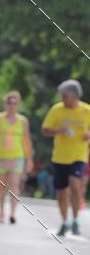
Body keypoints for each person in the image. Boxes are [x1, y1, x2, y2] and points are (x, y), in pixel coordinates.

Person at [41, 79, 90, 237]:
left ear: (74, 96)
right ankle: (64, 222)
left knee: (75, 184)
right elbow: (45, 130)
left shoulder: (86, 110)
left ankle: (75, 220)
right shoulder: (57, 109)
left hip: (78, 155)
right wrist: (58, 130)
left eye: (65, 96)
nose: (62, 99)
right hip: (60, 157)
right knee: (62, 192)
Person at [0, 91, 33, 223]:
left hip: (17, 157)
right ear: (6, 104)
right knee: (1, 186)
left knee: (15, 185)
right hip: (1, 156)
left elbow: (26, 140)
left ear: (18, 104)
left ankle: (13, 213)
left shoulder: (23, 121)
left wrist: (29, 159)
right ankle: (1, 211)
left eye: (15, 103)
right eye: (10, 103)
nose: (12, 105)